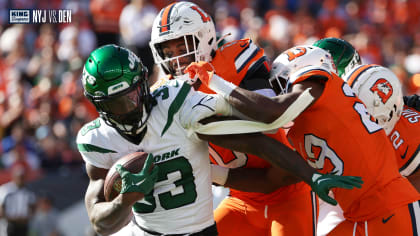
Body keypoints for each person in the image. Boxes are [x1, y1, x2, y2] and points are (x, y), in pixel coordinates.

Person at [76, 44, 362, 235]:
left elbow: (256, 139)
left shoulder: (176, 104)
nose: (129, 108)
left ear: (144, 84)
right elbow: (99, 221)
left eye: (134, 95)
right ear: (98, 105)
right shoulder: (97, 139)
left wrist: (310, 175)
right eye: (116, 103)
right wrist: (124, 201)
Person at [185, 45, 420, 235]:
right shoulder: (303, 126)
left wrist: (215, 82)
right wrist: (207, 168)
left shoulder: (319, 81)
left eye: (281, 85)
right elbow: (271, 175)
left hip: (387, 208)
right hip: (360, 213)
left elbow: (273, 111)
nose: (280, 92)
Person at [148, 2, 316, 235]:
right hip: (241, 200)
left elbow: (265, 118)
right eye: (168, 53)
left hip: (289, 192)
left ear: (204, 39)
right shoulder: (164, 94)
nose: (177, 59)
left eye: (182, 46)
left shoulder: (236, 61)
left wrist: (213, 93)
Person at [0, 165, 36, 236]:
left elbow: (33, 207)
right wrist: (9, 218)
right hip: (8, 224)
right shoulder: (5, 190)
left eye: (22, 177)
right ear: (13, 176)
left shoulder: (29, 191)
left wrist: (27, 218)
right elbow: (1, 208)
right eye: (18, 177)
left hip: (23, 224)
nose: (20, 179)